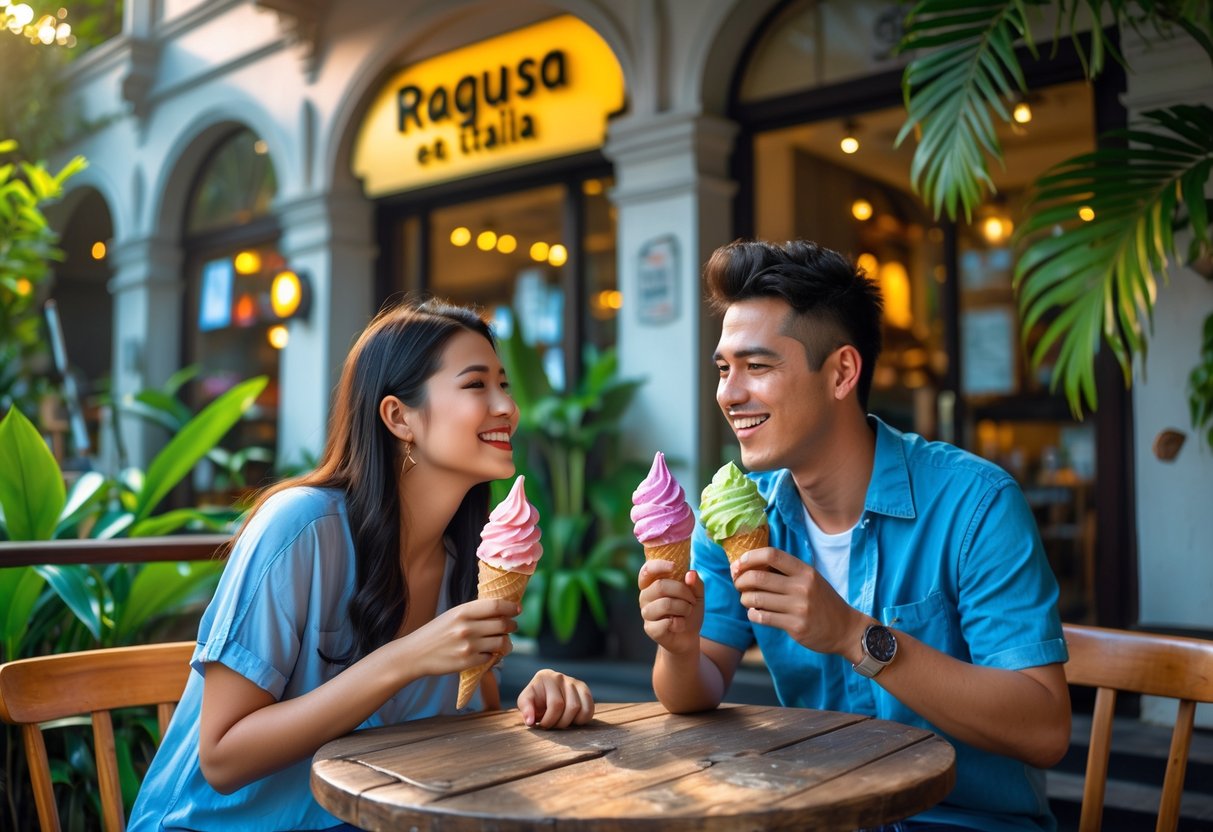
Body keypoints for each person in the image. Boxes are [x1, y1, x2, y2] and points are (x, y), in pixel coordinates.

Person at [638, 240, 1070, 832]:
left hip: (961, 820)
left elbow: (1044, 729)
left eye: (757, 366)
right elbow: (695, 689)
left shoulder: (976, 504)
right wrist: (679, 647)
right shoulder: (735, 513)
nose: (729, 394)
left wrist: (851, 634)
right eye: (723, 368)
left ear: (841, 372)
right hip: (822, 814)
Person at [129, 300, 594, 831]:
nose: (506, 406)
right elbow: (222, 758)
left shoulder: (466, 558)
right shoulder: (299, 529)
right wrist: (406, 658)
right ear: (399, 416)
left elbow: (470, 727)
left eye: (504, 385)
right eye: (476, 385)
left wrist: (538, 702)